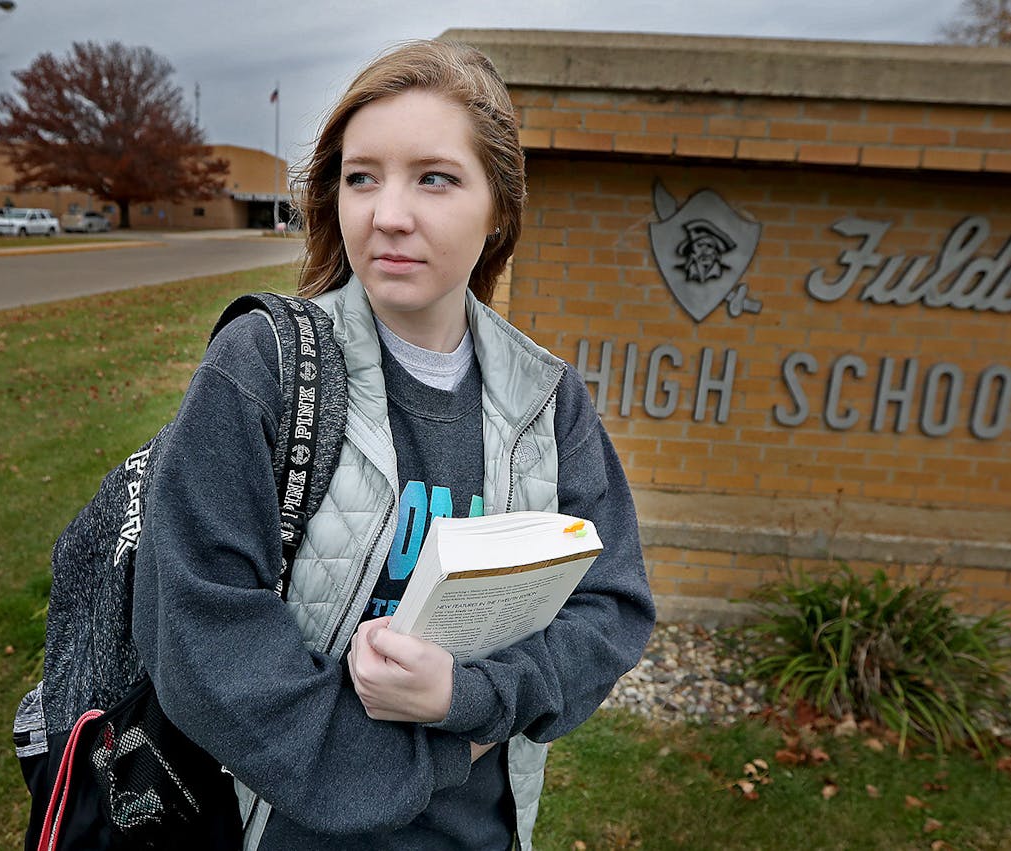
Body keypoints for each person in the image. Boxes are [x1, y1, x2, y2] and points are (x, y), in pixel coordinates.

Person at [131, 39, 655, 850]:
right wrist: (410, 761)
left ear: (499, 209)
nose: (388, 214)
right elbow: (199, 631)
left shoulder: (547, 402)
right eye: (361, 176)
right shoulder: (263, 367)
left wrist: (468, 698)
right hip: (284, 827)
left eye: (434, 178)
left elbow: (611, 607)